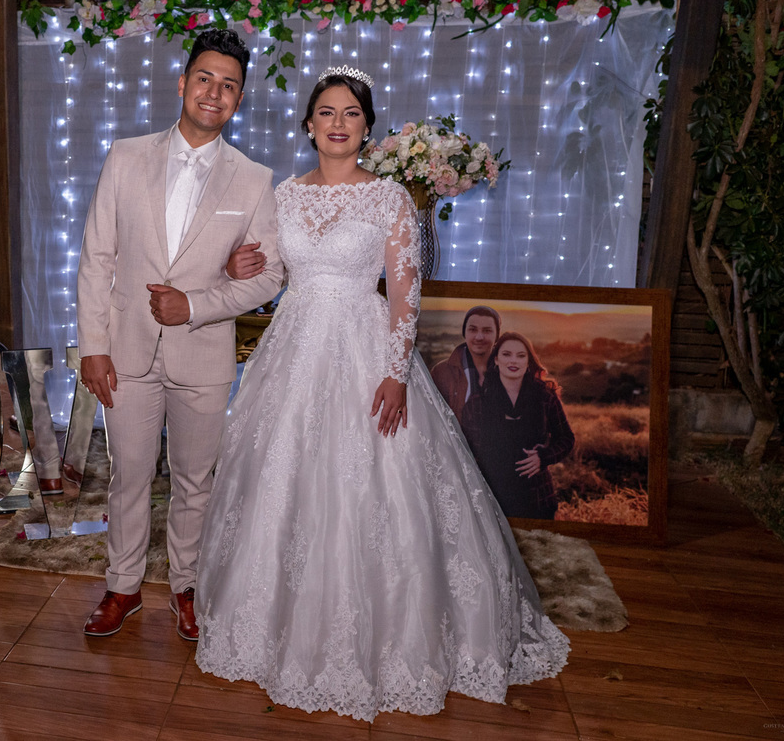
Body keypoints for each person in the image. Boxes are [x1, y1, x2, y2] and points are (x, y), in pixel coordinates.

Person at [195, 65, 568, 722]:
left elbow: (404, 292)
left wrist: (395, 373)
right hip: (294, 347)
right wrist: (235, 265)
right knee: (282, 480)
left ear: (366, 128)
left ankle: (400, 636)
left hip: (367, 349)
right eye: (327, 112)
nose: (338, 123)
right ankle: (269, 628)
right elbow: (273, 273)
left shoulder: (390, 197)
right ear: (308, 124)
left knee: (377, 485)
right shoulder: (284, 195)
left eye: (351, 114)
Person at [75, 29, 285, 641]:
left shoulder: (253, 179)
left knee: (196, 481)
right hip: (125, 351)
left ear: (239, 99)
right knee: (128, 477)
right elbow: (97, 258)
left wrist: (193, 305)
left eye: (229, 85)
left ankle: (187, 587)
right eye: (205, 79)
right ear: (182, 83)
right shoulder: (125, 156)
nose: (214, 93)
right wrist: (93, 346)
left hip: (204, 355)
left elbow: (269, 276)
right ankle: (123, 587)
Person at [460, 332, 575, 520]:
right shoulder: (477, 403)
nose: (513, 360)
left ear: (528, 361)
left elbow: (566, 438)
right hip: (491, 498)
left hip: (538, 498)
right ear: (496, 359)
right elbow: (464, 451)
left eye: (521, 356)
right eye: (506, 354)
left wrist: (544, 457)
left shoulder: (545, 397)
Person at [430, 305, 500, 422]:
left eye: (487, 330)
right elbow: (432, 417)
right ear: (464, 333)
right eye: (473, 329)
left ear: (497, 335)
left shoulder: (509, 371)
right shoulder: (442, 372)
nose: (479, 337)